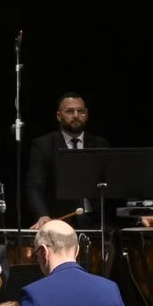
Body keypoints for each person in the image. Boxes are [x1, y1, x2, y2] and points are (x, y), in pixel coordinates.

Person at [23, 93, 107, 221]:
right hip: (60, 219)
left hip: (96, 219)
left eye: (80, 111)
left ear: (87, 114)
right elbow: (34, 187)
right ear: (58, 116)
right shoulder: (43, 145)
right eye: (69, 111)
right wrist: (42, 215)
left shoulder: (100, 144)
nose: (76, 115)